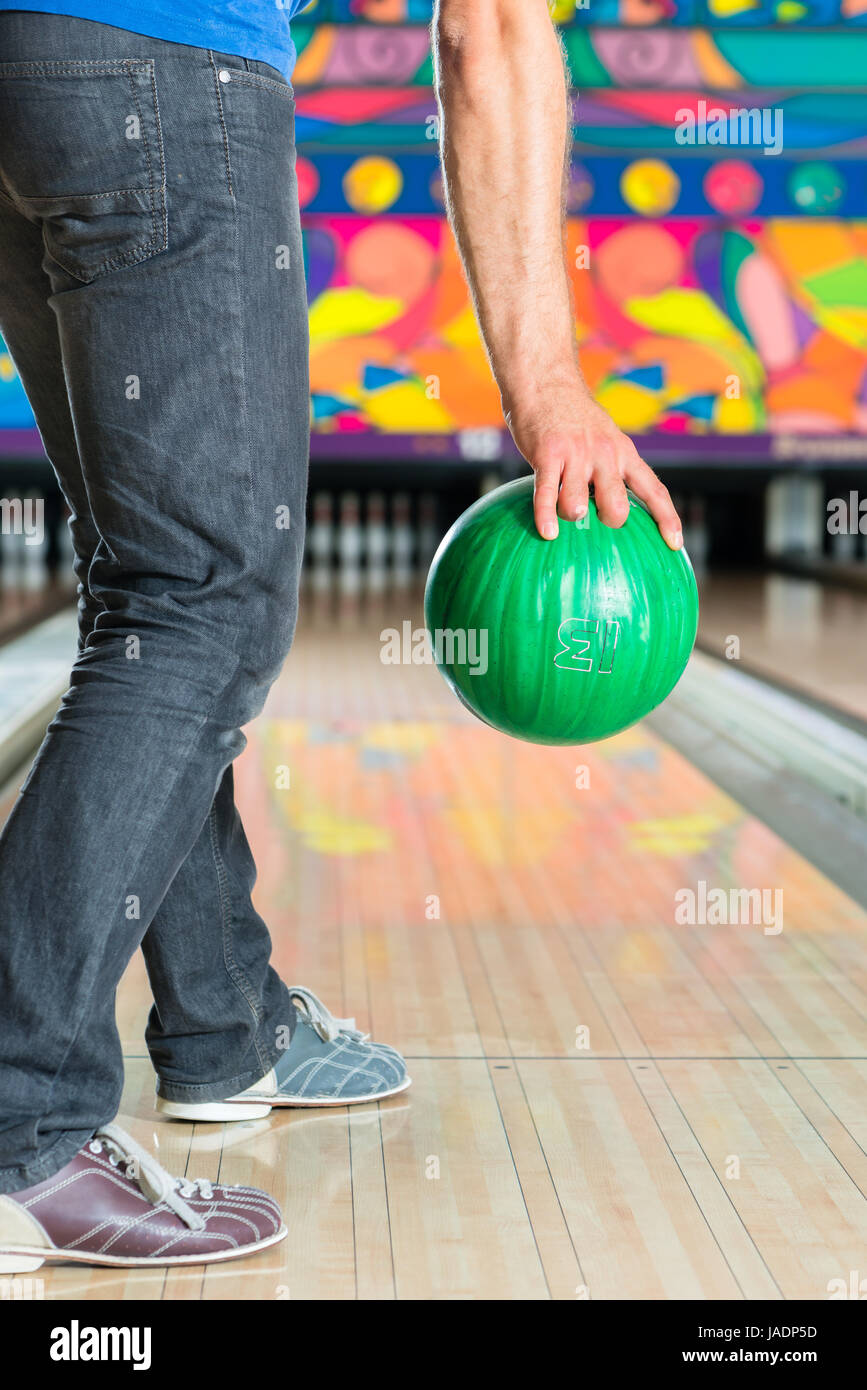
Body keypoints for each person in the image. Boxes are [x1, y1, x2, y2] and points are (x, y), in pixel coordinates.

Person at [0, 0, 683, 1271]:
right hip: (164, 66)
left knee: (150, 585)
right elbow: (492, 29)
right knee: (204, 601)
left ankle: (225, 1025)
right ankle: (18, 1123)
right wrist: (551, 395)